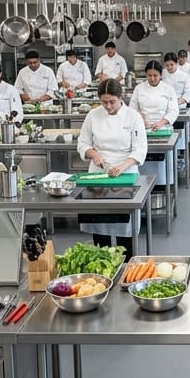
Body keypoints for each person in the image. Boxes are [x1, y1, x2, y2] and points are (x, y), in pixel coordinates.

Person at [76, 79, 146, 256]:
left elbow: (140, 148)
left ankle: (127, 266)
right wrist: (94, 154)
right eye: (104, 102)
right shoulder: (93, 115)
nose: (108, 106)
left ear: (120, 97)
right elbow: (83, 143)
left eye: (112, 102)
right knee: (100, 226)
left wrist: (123, 165)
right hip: (99, 174)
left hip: (126, 174)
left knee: (125, 227)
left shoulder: (133, 116)